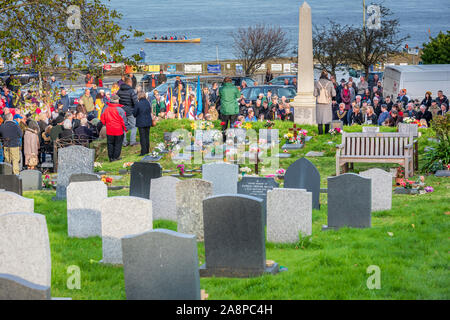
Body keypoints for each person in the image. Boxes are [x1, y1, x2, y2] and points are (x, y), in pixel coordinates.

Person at [100, 95, 128, 162]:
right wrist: (125, 128)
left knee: (110, 144)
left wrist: (106, 124)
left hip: (109, 129)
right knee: (118, 144)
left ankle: (111, 158)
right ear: (117, 100)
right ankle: (116, 157)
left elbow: (102, 119)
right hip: (118, 130)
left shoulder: (106, 109)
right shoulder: (120, 109)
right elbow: (124, 121)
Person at [117, 75, 138, 147]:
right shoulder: (131, 91)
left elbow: (117, 101)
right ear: (129, 82)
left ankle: (124, 142)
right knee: (134, 126)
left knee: (123, 126)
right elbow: (135, 102)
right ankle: (132, 141)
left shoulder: (119, 91)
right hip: (130, 110)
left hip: (121, 110)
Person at [314, 70, 336, 135]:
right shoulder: (330, 83)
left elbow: (315, 94)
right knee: (327, 119)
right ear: (327, 76)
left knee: (319, 119)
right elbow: (334, 94)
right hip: (327, 103)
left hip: (319, 103)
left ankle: (320, 134)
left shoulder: (317, 83)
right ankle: (326, 133)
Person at [133, 92, 153, 156]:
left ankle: (143, 152)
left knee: (142, 138)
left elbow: (134, 114)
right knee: (147, 137)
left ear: (138, 96)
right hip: (148, 121)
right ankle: (147, 150)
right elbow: (150, 111)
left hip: (141, 122)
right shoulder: (148, 103)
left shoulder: (138, 104)